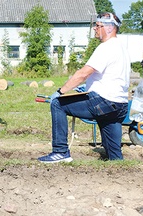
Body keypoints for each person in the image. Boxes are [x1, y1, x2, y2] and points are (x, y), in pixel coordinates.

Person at [38, 12, 130, 163]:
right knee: (115, 156)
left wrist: (60, 91)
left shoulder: (106, 47)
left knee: (57, 104)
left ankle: (60, 152)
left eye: (98, 26)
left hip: (103, 102)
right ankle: (117, 165)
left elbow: (83, 73)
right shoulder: (122, 48)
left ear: (109, 28)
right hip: (119, 106)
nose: (95, 28)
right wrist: (87, 86)